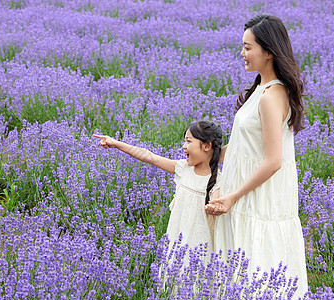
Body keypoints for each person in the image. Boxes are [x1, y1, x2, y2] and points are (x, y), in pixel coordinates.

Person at [204, 14, 308, 297]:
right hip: (244, 195)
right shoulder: (261, 90)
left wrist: (233, 195)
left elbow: (274, 160)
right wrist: (206, 155)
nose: (242, 53)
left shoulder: (271, 96)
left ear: (269, 52)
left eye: (248, 47)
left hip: (256, 200)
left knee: (256, 269)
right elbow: (244, 147)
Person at [94, 120, 223, 257]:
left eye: (189, 142)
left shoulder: (217, 181)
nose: (184, 147)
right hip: (176, 240)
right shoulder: (183, 168)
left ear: (207, 146)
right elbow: (149, 157)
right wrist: (116, 143)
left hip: (199, 248)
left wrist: (215, 208)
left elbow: (217, 205)